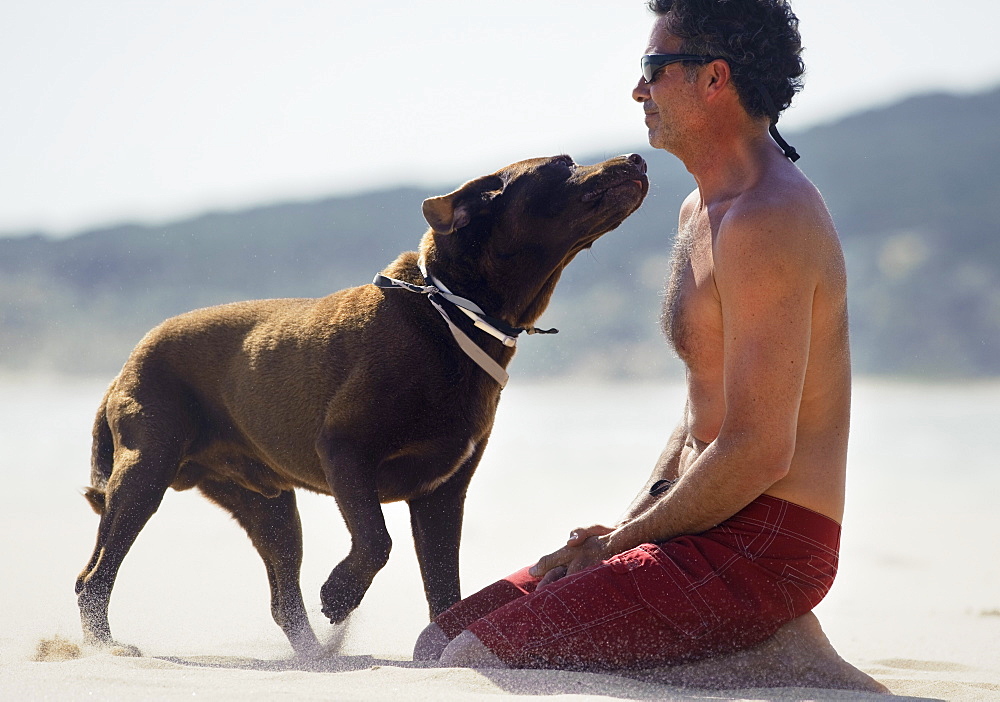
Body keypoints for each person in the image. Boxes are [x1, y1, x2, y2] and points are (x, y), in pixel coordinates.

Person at [413, 0, 885, 691]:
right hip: (707, 522)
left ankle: (773, 654)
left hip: (767, 546)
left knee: (472, 664)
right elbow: (702, 416)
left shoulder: (768, 219)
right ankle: (746, 654)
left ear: (713, 78)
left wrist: (619, 547)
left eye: (653, 69)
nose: (639, 91)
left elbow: (759, 449)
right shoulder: (702, 208)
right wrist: (625, 530)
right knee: (440, 641)